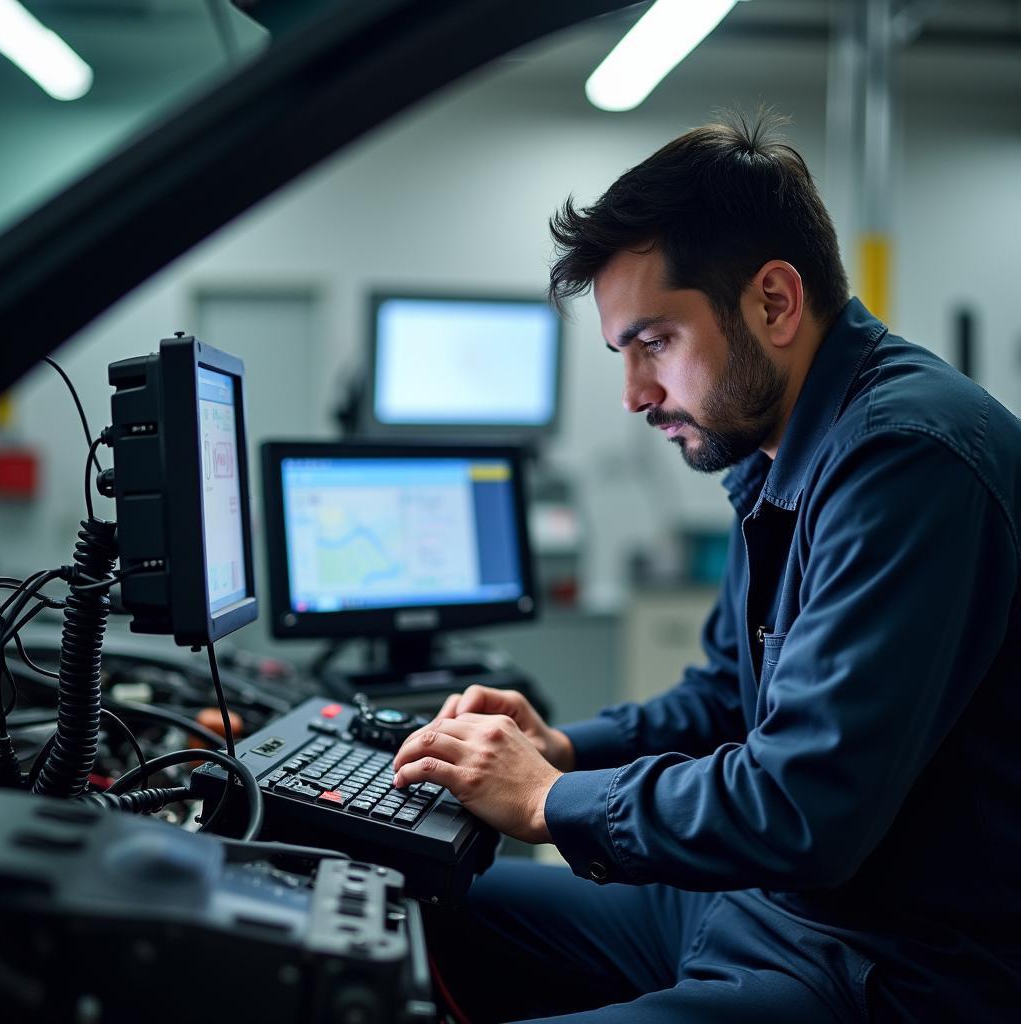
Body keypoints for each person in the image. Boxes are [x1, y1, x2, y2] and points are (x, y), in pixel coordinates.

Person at [392, 111, 1021, 1022]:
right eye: (625, 354)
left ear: (774, 301)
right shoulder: (779, 455)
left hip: (891, 963)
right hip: (766, 912)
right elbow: (726, 702)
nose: (635, 395)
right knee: (405, 913)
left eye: (655, 343)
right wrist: (565, 749)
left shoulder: (906, 459)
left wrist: (550, 800)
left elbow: (805, 807)